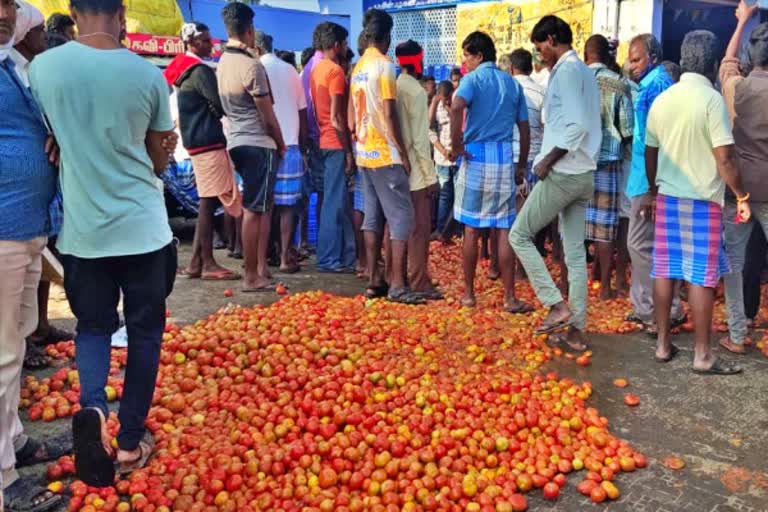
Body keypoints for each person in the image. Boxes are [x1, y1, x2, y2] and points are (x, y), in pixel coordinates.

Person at [30, 0, 178, 486]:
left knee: (93, 328)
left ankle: (93, 405)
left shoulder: (45, 69)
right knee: (145, 335)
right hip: (143, 231)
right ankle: (132, 441)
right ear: (122, 11)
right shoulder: (147, 75)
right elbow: (158, 159)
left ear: (73, 11)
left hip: (84, 233)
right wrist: (156, 152)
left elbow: (45, 135)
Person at [645, 30, 751, 375]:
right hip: (703, 200)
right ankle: (702, 355)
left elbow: (650, 151)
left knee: (665, 270)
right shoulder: (711, 100)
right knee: (701, 277)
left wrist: (652, 189)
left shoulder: (664, 98)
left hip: (667, 196)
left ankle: (662, 345)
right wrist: (741, 195)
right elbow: (725, 158)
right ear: (712, 62)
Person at [1, 1, 69, 509]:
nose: (5, 12)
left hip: (27, 227)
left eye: (8, 2)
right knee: (1, 354)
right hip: (3, 230)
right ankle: (3, 479)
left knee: (16, 344)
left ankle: (14, 441)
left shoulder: (11, 65)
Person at [509, 15, 601, 351]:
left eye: (540, 49)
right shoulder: (585, 73)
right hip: (584, 173)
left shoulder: (566, 72)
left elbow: (575, 126)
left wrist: (547, 161)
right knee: (575, 256)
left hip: (564, 172)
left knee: (518, 234)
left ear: (551, 39)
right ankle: (576, 331)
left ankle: (554, 303)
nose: (539, 56)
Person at [449, 31, 532, 312]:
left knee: (472, 229)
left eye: (467, 56)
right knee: (503, 229)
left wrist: (457, 144)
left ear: (479, 56)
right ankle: (509, 297)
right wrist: (521, 164)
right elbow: (524, 127)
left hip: (476, 156)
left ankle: (470, 295)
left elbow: (456, 106)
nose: (464, 62)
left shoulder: (472, 80)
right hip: (504, 157)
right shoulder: (511, 83)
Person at [351, 9, 421, 304]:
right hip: (385, 153)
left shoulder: (357, 67)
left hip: (364, 153)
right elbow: (390, 113)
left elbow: (354, 116)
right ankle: (397, 284)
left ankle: (373, 280)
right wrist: (402, 153)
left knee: (372, 217)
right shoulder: (384, 66)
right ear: (386, 37)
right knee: (402, 217)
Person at [165, 22, 242, 281]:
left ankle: (198, 261)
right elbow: (219, 106)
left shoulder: (181, 70)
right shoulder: (199, 71)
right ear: (193, 43)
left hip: (194, 142)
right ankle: (208, 263)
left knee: (207, 201)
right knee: (209, 202)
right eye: (207, 41)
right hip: (208, 141)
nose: (211, 45)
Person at [217, 2, 285, 292]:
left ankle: (259, 269)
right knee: (255, 210)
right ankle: (251, 275)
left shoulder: (223, 62)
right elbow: (267, 116)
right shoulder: (251, 65)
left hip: (237, 141)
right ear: (249, 30)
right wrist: (281, 144)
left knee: (258, 207)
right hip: (258, 142)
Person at [624, 33, 686, 335]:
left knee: (640, 244)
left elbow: (656, 142)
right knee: (650, 245)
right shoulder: (650, 85)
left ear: (653, 59)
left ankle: (656, 310)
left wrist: (652, 189)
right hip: (644, 178)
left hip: (649, 181)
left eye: (636, 59)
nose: (629, 65)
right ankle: (649, 307)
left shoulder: (656, 88)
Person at [719, 1, 768, 354]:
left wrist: (741, 23)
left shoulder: (736, 88)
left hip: (741, 193)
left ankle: (737, 334)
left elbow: (726, 62)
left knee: (734, 261)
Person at [583, 34, 634, 300]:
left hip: (576, 161)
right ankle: (604, 286)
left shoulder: (575, 80)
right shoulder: (619, 84)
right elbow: (627, 129)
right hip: (607, 162)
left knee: (571, 224)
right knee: (605, 227)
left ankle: (570, 285)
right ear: (607, 56)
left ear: (585, 55)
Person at [256, 30, 308, 274]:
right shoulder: (289, 70)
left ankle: (262, 259)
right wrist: (303, 143)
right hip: (290, 144)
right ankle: (286, 256)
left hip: (263, 145)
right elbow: (301, 112)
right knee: (287, 207)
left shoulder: (253, 67)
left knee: (265, 205)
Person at [395, 39, 441, 299]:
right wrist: (431, 177)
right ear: (417, 61)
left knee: (398, 228)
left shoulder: (394, 85)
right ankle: (419, 281)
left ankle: (399, 278)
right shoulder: (416, 92)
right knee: (420, 230)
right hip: (416, 173)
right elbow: (420, 141)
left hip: (396, 168)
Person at [311, 22, 357, 273]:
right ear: (336, 45)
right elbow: (338, 118)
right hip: (335, 142)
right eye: (345, 43)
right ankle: (329, 258)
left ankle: (344, 255)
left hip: (323, 140)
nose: (346, 48)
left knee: (334, 201)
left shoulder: (317, 70)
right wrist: (348, 151)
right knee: (334, 204)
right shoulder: (336, 73)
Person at [509, 48, 545, 191]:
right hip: (534, 157)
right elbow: (545, 126)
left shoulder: (505, 90)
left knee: (509, 208)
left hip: (509, 156)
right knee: (531, 209)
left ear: (511, 68)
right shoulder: (542, 91)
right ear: (530, 69)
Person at [429, 80, 456, 239]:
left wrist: (450, 108)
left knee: (458, 195)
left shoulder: (458, 106)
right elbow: (430, 129)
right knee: (445, 194)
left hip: (457, 157)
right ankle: (441, 229)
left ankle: (454, 229)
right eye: (444, 98)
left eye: (449, 98)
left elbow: (461, 126)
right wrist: (444, 151)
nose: (446, 101)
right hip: (442, 158)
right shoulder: (435, 108)